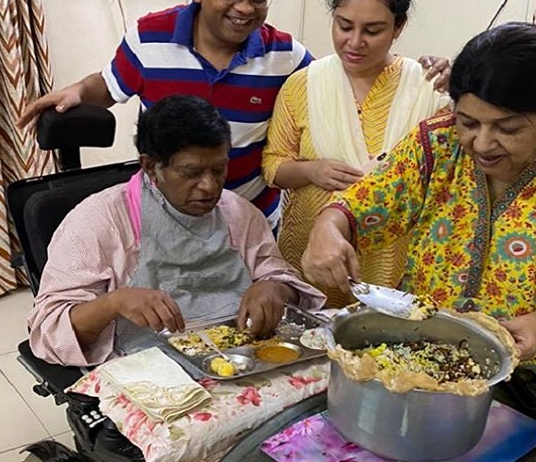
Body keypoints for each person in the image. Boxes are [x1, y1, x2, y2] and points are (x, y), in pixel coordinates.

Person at [17, 0, 449, 229]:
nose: (245, 8)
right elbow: (110, 85)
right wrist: (77, 90)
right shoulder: (150, 37)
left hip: (251, 224)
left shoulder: (286, 57)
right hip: (164, 218)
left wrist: (430, 73)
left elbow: (347, 82)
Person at [301, 22, 536, 373]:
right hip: (419, 347)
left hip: (528, 362)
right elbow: (364, 203)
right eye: (467, 122)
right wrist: (328, 226)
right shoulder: (437, 143)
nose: (482, 144)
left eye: (508, 128)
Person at [27, 96, 325, 367]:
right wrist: (113, 302)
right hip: (151, 367)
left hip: (242, 357)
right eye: (191, 173)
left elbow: (282, 280)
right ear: (151, 166)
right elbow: (48, 331)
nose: (209, 186)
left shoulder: (239, 213)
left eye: (219, 170)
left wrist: (273, 288)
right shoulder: (98, 221)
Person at [262, 0, 450, 307]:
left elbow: (448, 178)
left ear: (399, 27)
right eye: (344, 25)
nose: (355, 41)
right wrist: (310, 170)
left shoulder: (426, 88)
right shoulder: (303, 84)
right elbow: (273, 166)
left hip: (393, 260)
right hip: (310, 250)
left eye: (373, 30)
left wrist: (462, 85)